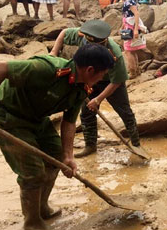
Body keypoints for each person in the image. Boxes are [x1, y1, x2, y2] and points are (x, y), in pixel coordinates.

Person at [0, 44, 115, 230]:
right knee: (32, 172)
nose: (102, 79)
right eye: (102, 74)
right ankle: (32, 222)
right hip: (7, 115)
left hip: (36, 119)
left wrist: (68, 156)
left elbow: (69, 122)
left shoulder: (81, 89)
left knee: (55, 158)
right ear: (90, 70)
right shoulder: (46, 69)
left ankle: (41, 207)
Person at [49, 20, 141, 157]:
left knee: (125, 111)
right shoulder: (82, 35)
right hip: (89, 79)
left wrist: (98, 99)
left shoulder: (114, 52)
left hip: (110, 81)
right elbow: (63, 33)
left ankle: (136, 143)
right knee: (86, 112)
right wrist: (53, 52)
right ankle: (90, 145)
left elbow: (117, 81)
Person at [119, 0, 147, 78]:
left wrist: (135, 29)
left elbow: (136, 14)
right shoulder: (128, 0)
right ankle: (136, 70)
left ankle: (133, 72)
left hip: (130, 27)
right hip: (128, 26)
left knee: (128, 50)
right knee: (132, 50)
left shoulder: (130, 0)